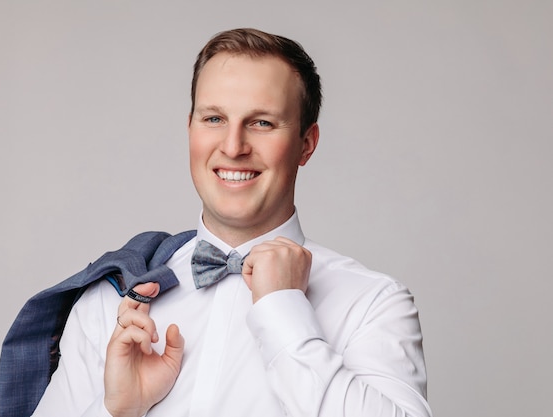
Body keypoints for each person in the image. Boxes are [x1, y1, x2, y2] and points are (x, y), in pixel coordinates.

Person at [29, 28, 432, 417]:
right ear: (190, 129)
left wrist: (283, 310)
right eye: (214, 119)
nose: (234, 146)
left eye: (262, 123)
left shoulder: (372, 303)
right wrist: (117, 411)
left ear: (306, 144)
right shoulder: (111, 302)